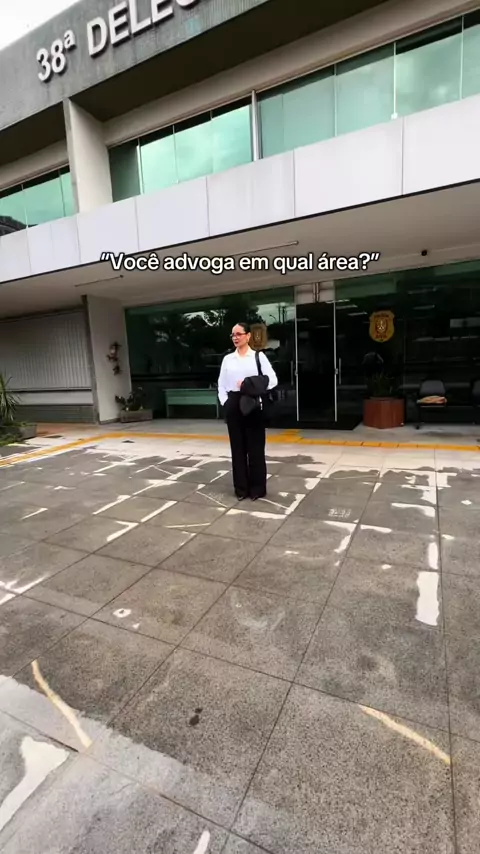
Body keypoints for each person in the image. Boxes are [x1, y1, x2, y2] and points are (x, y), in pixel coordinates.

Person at [218, 322, 278, 500]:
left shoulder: (258, 357)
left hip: (252, 404)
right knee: (237, 450)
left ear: (248, 336)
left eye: (239, 334)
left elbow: (272, 380)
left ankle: (257, 489)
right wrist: (226, 403)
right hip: (233, 404)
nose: (235, 337)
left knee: (255, 449)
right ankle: (241, 489)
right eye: (233, 335)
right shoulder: (228, 359)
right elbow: (221, 385)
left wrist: (248, 384)